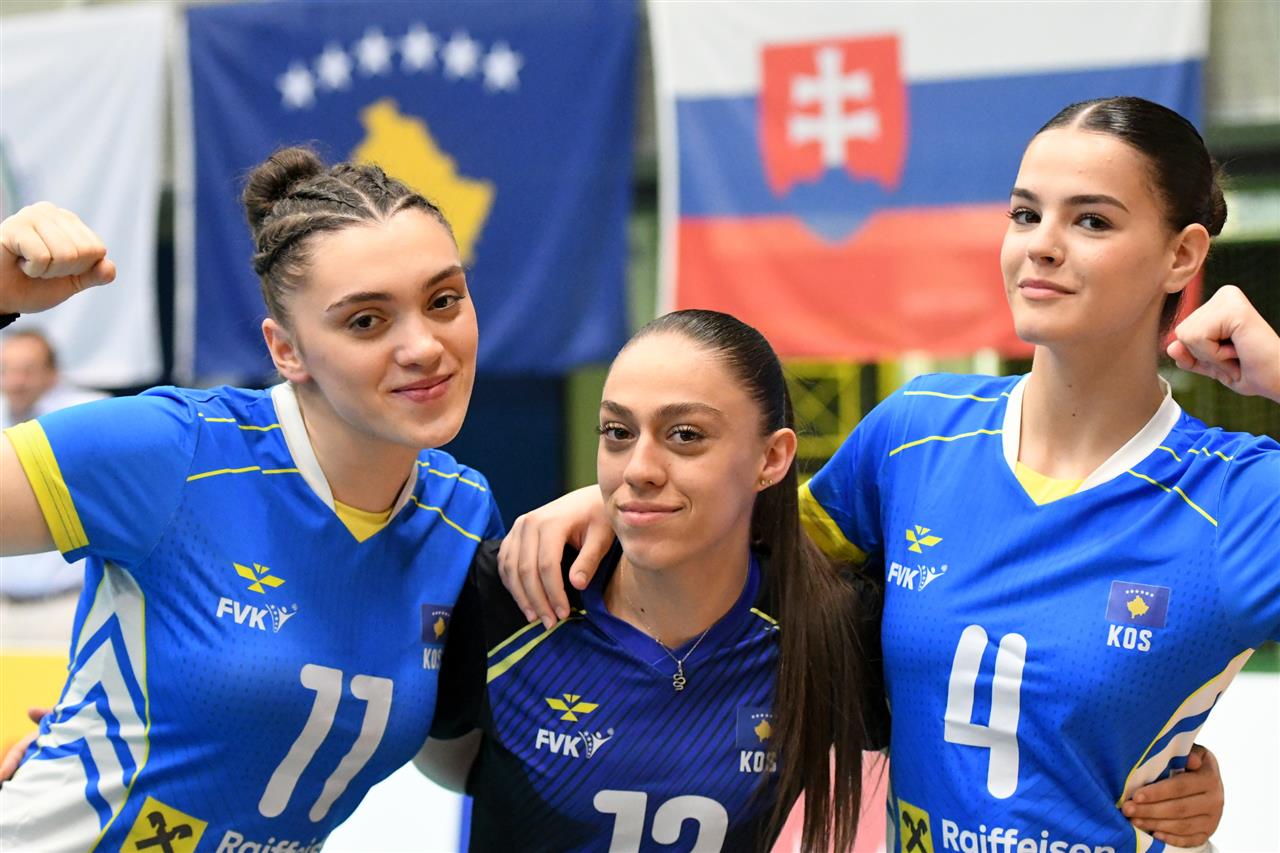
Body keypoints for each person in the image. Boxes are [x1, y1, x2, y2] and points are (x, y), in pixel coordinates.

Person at [498, 97, 1273, 851]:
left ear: (1182, 255)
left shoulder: (1238, 499)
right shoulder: (917, 432)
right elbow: (746, 544)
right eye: (1025, 213)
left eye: (1092, 221)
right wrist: (613, 500)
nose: (1041, 245)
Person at [0, 150, 503, 850]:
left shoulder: (463, 515)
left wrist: (607, 517)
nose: (423, 346)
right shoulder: (176, 450)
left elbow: (467, 760)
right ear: (285, 349)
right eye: (366, 320)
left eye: (444, 300)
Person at [421, 309, 884, 852]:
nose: (638, 468)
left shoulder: (831, 626)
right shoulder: (513, 594)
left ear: (772, 457)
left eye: (685, 435)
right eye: (618, 432)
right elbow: (447, 759)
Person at [1, 330, 106, 648]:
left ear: (52, 374)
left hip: (65, 605)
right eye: (6, 370)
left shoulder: (88, 417)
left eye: (28, 370)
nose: (16, 381)